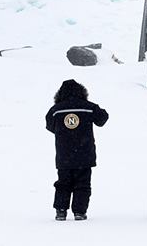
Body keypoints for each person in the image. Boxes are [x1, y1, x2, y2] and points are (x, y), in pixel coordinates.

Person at [45, 79, 109, 221]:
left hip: (64, 154)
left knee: (63, 183)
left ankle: (61, 211)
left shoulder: (56, 110)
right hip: (84, 154)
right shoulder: (88, 107)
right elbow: (103, 119)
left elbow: (49, 126)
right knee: (83, 184)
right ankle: (79, 211)